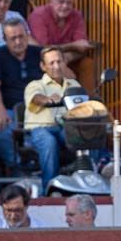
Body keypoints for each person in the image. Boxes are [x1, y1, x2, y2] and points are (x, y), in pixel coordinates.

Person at [0, 18, 42, 173]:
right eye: (13, 38)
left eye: (21, 36)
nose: (18, 41)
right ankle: (18, 164)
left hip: (40, 110)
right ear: (5, 40)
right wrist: (0, 111)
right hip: (10, 109)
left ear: (27, 35)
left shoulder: (40, 53)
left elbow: (63, 76)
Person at [24, 46, 81, 188]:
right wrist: (47, 99)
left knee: (86, 135)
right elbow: (36, 98)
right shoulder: (35, 85)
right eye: (51, 63)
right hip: (39, 130)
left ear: (65, 62)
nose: (56, 66)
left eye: (59, 61)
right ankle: (51, 187)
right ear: (43, 66)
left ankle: (89, 175)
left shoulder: (73, 84)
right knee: (49, 141)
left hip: (66, 128)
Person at [28, 0, 93, 87]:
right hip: (43, 61)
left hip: (69, 59)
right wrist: (71, 48)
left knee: (87, 63)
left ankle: (89, 100)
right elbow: (43, 49)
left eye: (69, 3)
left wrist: (67, 57)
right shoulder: (39, 15)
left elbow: (82, 47)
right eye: (61, 2)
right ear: (51, 1)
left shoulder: (76, 15)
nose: (65, 6)